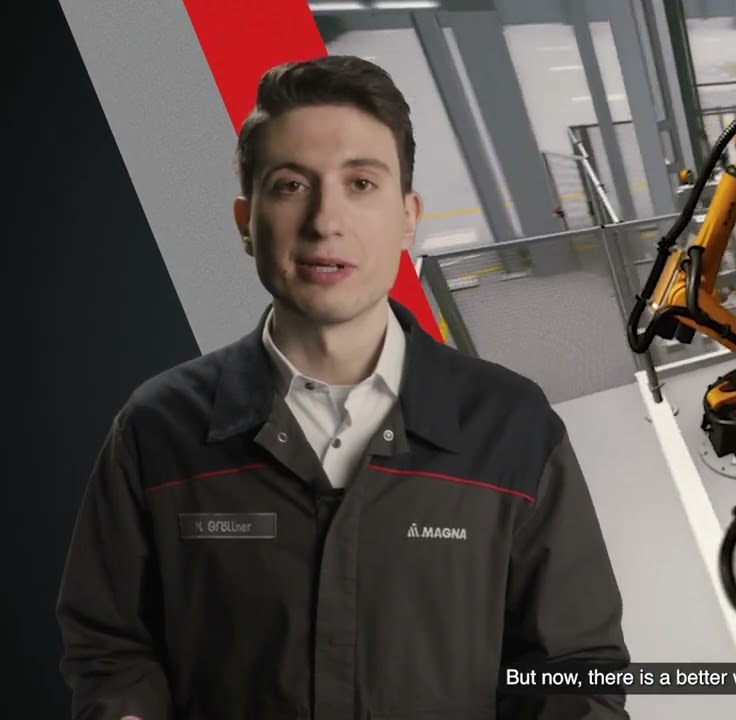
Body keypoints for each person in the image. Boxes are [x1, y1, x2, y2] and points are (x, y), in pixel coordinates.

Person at [56, 56, 630, 719]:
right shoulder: (159, 429)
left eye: (361, 183)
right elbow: (110, 646)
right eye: (291, 185)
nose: (325, 220)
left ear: (408, 217)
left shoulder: (511, 426)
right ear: (245, 221)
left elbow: (574, 670)